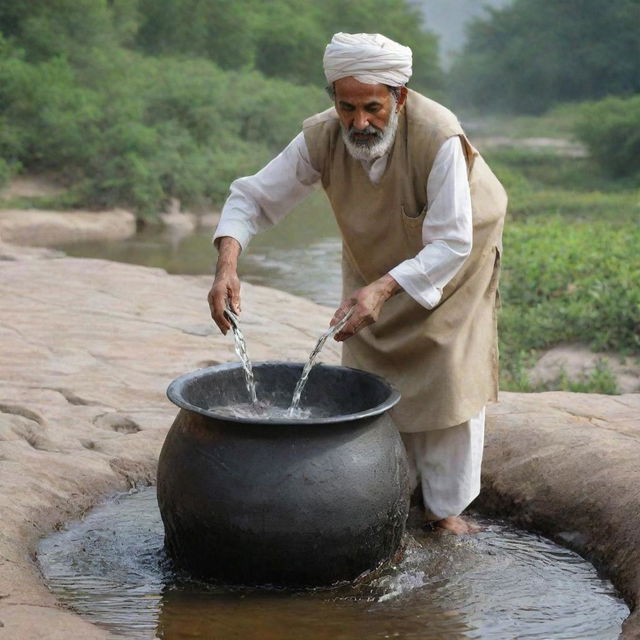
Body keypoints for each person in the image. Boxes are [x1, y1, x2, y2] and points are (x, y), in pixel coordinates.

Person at [208, 33, 507, 535]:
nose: (359, 122)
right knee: (370, 365)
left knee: (446, 369)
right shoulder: (323, 137)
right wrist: (226, 267)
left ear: (400, 97)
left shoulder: (440, 138)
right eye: (346, 107)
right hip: (376, 257)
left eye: (372, 107)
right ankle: (390, 488)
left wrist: (384, 289)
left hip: (457, 259)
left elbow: (451, 241)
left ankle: (445, 512)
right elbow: (252, 198)